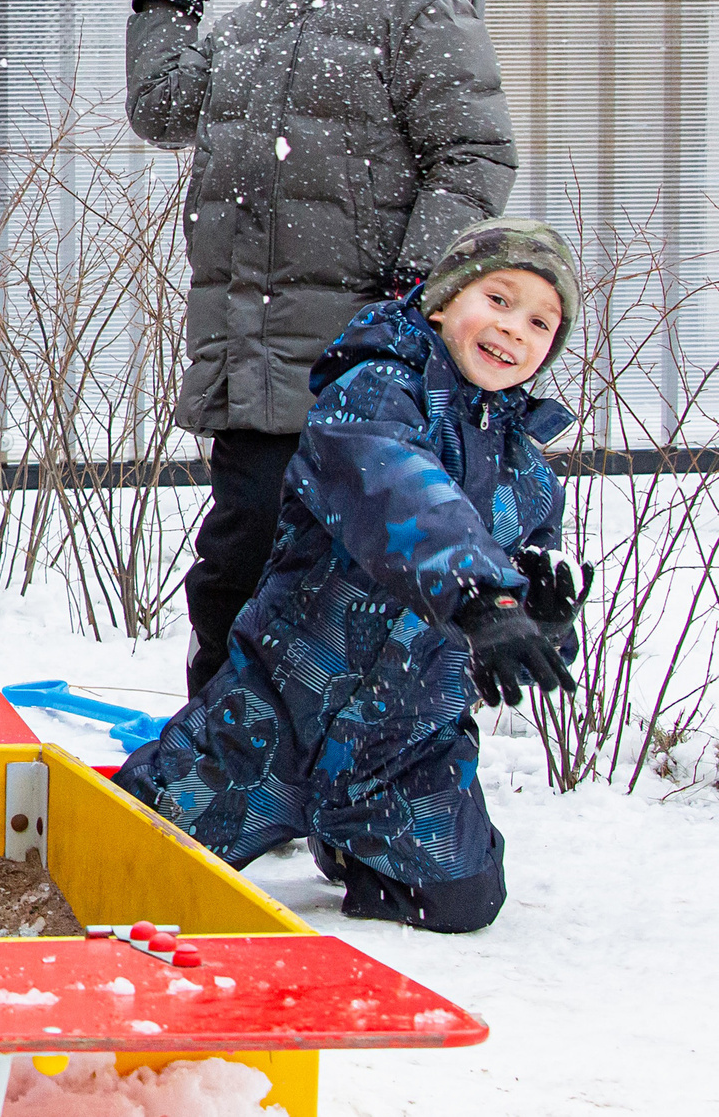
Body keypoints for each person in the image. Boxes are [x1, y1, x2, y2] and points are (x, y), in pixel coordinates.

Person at [128, 0, 518, 695]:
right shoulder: (255, 24)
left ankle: (333, 756)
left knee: (344, 588)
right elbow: (162, 107)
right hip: (255, 370)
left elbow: (472, 155)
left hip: (360, 375)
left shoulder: (418, 6)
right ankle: (220, 749)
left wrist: (408, 302)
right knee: (237, 574)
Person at [116, 219, 587, 933]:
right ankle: (247, 805)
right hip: (280, 711)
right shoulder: (374, 393)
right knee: (129, 861)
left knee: (462, 900)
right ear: (441, 302)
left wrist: (538, 617)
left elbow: (517, 593)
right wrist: (480, 595)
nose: (513, 328)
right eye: (498, 298)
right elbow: (396, 489)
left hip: (405, 741)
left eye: (539, 323)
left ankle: (353, 836)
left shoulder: (530, 476)